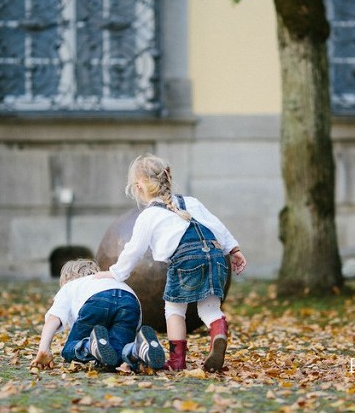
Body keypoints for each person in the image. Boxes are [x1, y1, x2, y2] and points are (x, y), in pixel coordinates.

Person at [94, 153, 247, 372]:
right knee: (209, 308)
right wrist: (234, 249)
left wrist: (116, 273)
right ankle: (218, 330)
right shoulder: (191, 202)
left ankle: (177, 361)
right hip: (215, 256)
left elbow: (134, 250)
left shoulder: (149, 216)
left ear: (139, 186)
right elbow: (217, 226)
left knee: (174, 310)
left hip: (186, 261)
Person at [30, 258, 165, 372]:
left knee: (69, 349)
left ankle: (89, 346)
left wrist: (44, 348)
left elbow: (54, 318)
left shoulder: (70, 286)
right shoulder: (107, 279)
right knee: (116, 356)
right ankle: (136, 349)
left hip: (96, 301)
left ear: (66, 280)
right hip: (129, 300)